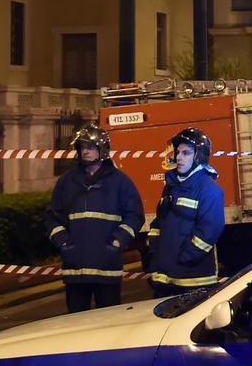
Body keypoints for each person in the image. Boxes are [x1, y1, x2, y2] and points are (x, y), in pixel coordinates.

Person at [45, 123, 144, 313]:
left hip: (107, 267)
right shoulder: (67, 181)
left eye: (90, 147)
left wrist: (117, 241)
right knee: (76, 324)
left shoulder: (120, 181)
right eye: (82, 147)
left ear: (102, 149)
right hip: (75, 270)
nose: (85, 151)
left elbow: (135, 216)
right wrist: (64, 243)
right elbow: (52, 217)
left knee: (107, 323)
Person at [147, 128, 225, 297]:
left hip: (194, 280)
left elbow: (209, 231)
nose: (178, 157)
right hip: (166, 278)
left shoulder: (209, 189)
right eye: (178, 152)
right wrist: (154, 249)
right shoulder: (171, 185)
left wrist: (184, 258)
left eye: (186, 153)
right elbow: (159, 222)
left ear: (199, 156)